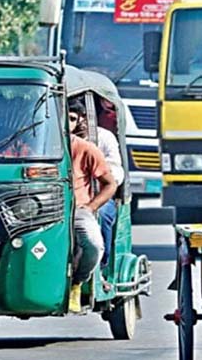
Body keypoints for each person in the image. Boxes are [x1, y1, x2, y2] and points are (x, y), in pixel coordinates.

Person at [68, 104, 118, 313]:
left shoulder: (86, 147)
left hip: (77, 210)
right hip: (35, 209)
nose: (65, 123)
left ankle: (77, 283)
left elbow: (111, 182)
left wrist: (90, 206)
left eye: (71, 118)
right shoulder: (27, 145)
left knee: (94, 244)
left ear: (79, 120)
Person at [69, 99, 123, 270]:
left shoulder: (102, 139)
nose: (81, 122)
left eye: (83, 117)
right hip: (54, 204)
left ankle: (101, 268)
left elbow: (113, 176)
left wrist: (92, 205)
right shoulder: (47, 143)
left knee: (104, 217)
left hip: (94, 199)